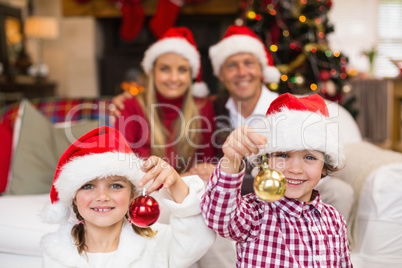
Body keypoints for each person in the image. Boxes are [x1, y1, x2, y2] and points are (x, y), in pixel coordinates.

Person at [201, 93, 353, 267]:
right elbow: (219, 217)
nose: (295, 169)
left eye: (309, 157)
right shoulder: (255, 213)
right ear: (266, 161)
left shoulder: (335, 220)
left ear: (324, 166)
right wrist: (232, 159)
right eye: (283, 155)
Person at [40, 126, 215, 268]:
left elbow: (198, 236)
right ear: (73, 198)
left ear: (133, 194)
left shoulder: (158, 243)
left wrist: (176, 182)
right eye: (87, 186)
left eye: (116, 185)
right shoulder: (57, 251)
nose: (102, 196)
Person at [113, 26, 215, 175]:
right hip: (143, 195)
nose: (173, 78)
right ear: (152, 72)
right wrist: (182, 179)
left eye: (182, 70)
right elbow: (122, 169)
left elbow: (206, 170)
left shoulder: (203, 107)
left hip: (188, 195)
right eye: (165, 69)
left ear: (191, 74)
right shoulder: (129, 106)